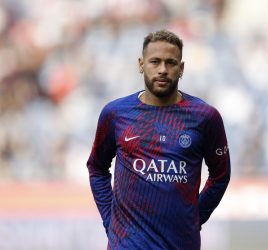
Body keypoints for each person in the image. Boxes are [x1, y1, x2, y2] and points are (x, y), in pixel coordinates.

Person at [87, 29, 231, 250]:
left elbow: (220, 175)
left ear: (181, 69)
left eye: (171, 63)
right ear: (141, 64)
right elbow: (97, 168)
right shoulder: (115, 114)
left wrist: (195, 217)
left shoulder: (205, 117)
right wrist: (110, 219)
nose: (163, 70)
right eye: (155, 61)